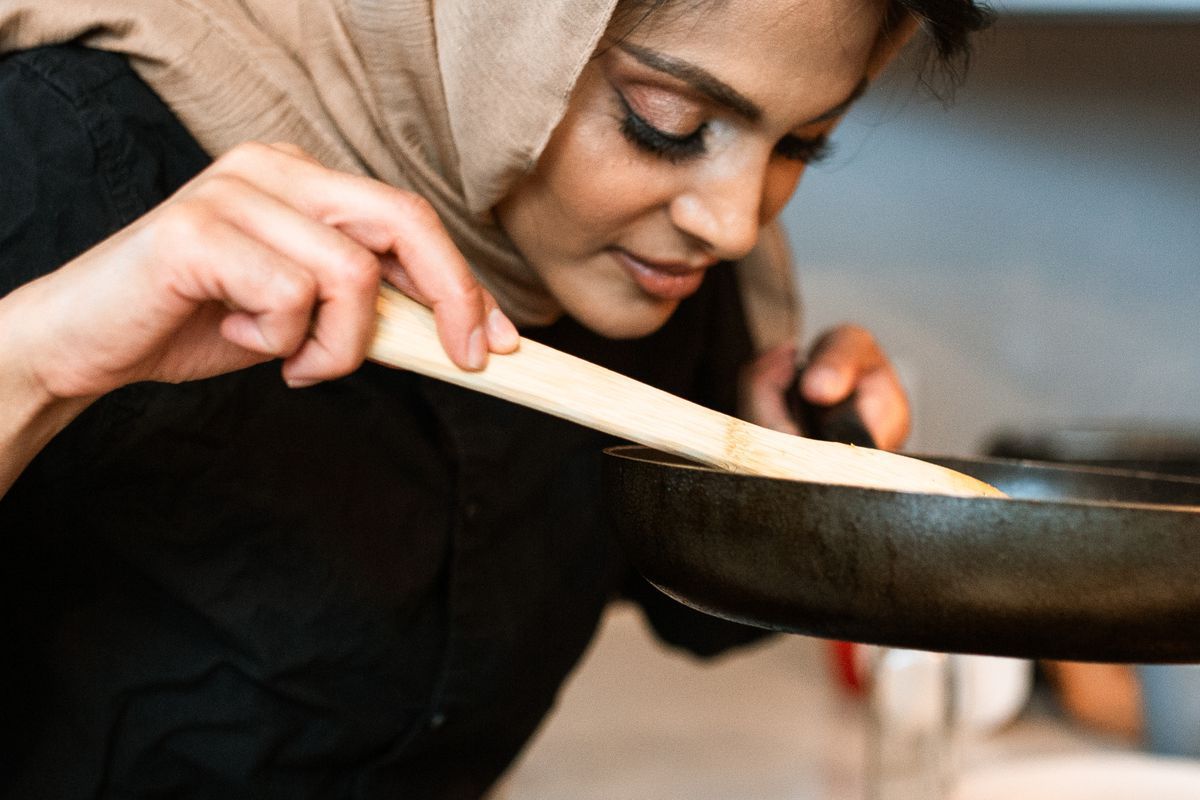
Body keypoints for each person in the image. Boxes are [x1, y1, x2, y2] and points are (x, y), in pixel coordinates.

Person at [0, 0, 989, 796]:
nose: (732, 223)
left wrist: (781, 480)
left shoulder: (654, 273)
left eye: (799, 143)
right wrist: (37, 361)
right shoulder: (75, 148)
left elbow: (696, 609)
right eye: (667, 124)